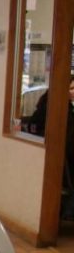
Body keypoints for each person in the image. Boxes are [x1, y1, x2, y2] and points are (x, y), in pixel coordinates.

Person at [27, 77, 74, 220]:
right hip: (65, 158)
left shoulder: (69, 108)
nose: (73, 92)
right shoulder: (50, 107)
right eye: (71, 89)